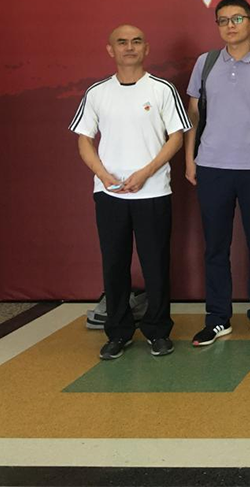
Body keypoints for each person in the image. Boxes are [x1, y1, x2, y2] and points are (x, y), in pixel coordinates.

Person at [70, 25, 190, 360]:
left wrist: (145, 173)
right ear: (111, 50)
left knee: (156, 264)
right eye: (121, 42)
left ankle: (158, 331)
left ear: (146, 48)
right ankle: (118, 331)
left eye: (136, 41)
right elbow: (84, 140)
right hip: (109, 194)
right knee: (114, 264)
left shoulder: (162, 89)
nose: (129, 47)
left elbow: (176, 137)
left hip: (153, 192)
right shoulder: (97, 93)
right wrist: (103, 175)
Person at [184, 0, 250, 346]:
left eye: (237, 18)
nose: (230, 25)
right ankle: (217, 318)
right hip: (212, 166)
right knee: (215, 247)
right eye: (223, 20)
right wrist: (190, 159)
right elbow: (194, 115)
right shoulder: (205, 63)